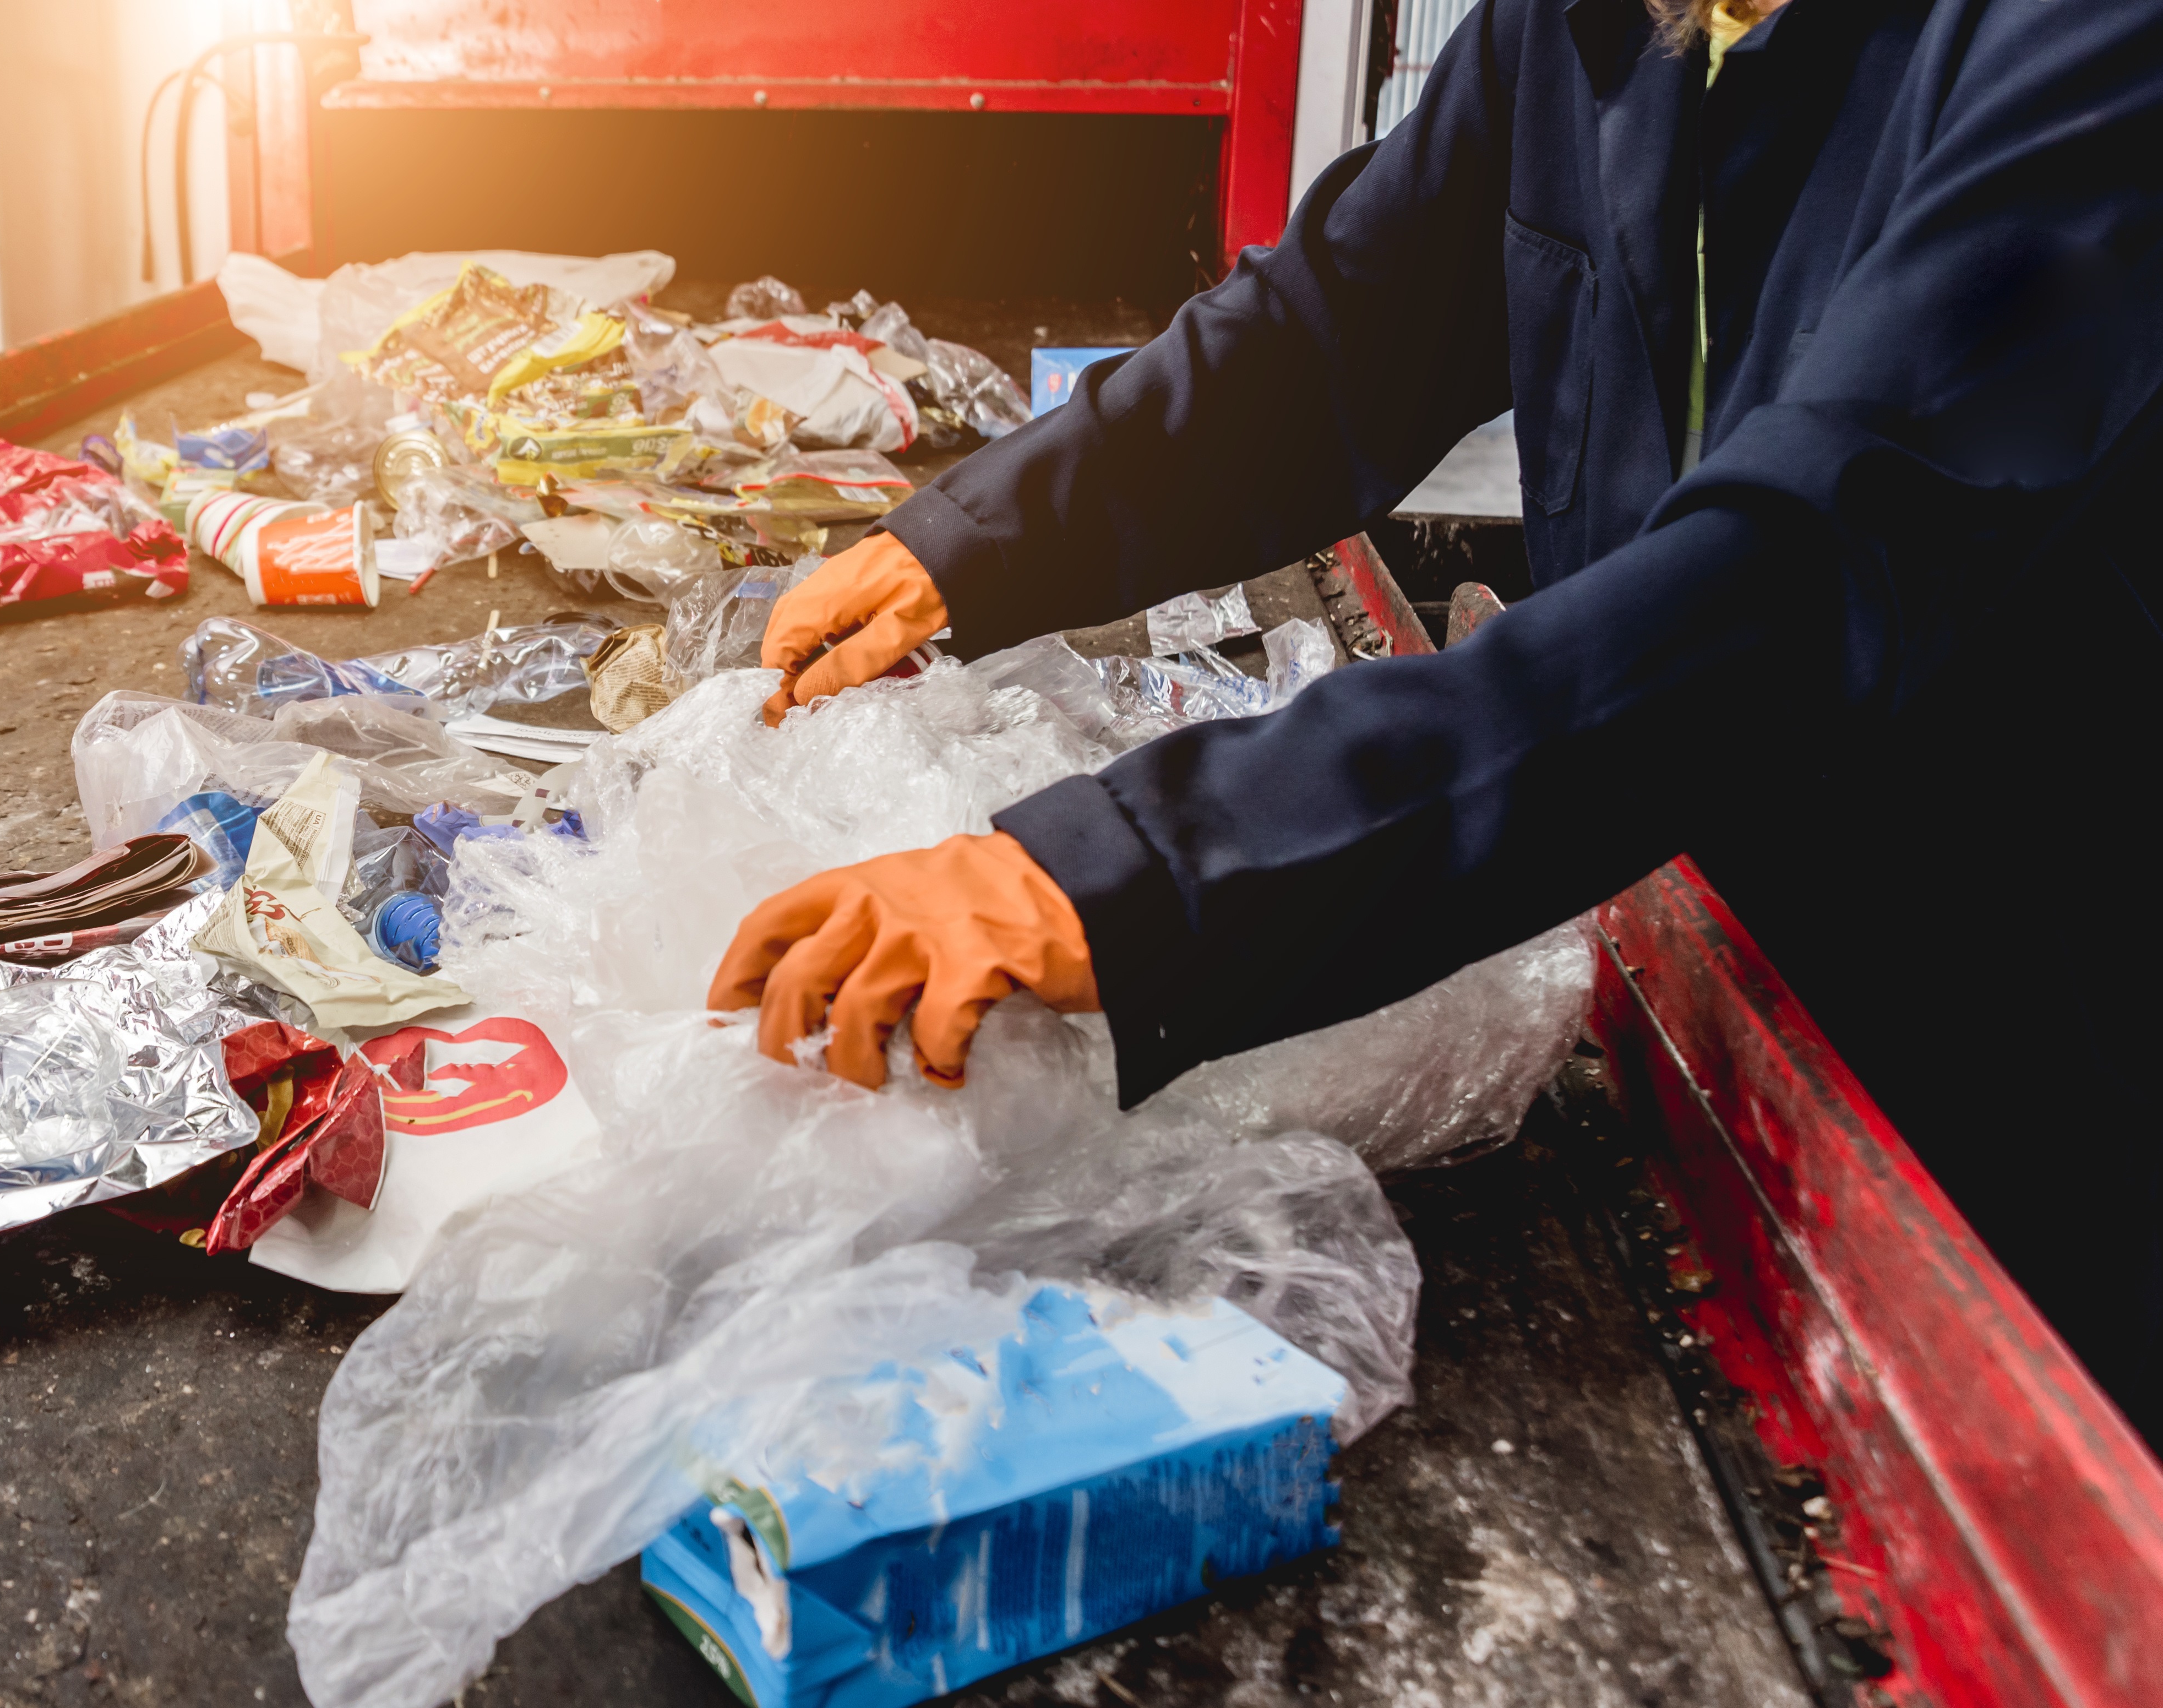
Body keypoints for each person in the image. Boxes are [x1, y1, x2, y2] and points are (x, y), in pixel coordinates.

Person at [710, 0, 2163, 1440]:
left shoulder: (2093, 50)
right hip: (1675, 897)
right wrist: (969, 543)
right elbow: (1338, 334)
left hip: (2011, 1038)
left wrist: (1131, 869)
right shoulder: (1601, 20)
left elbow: (1799, 569)